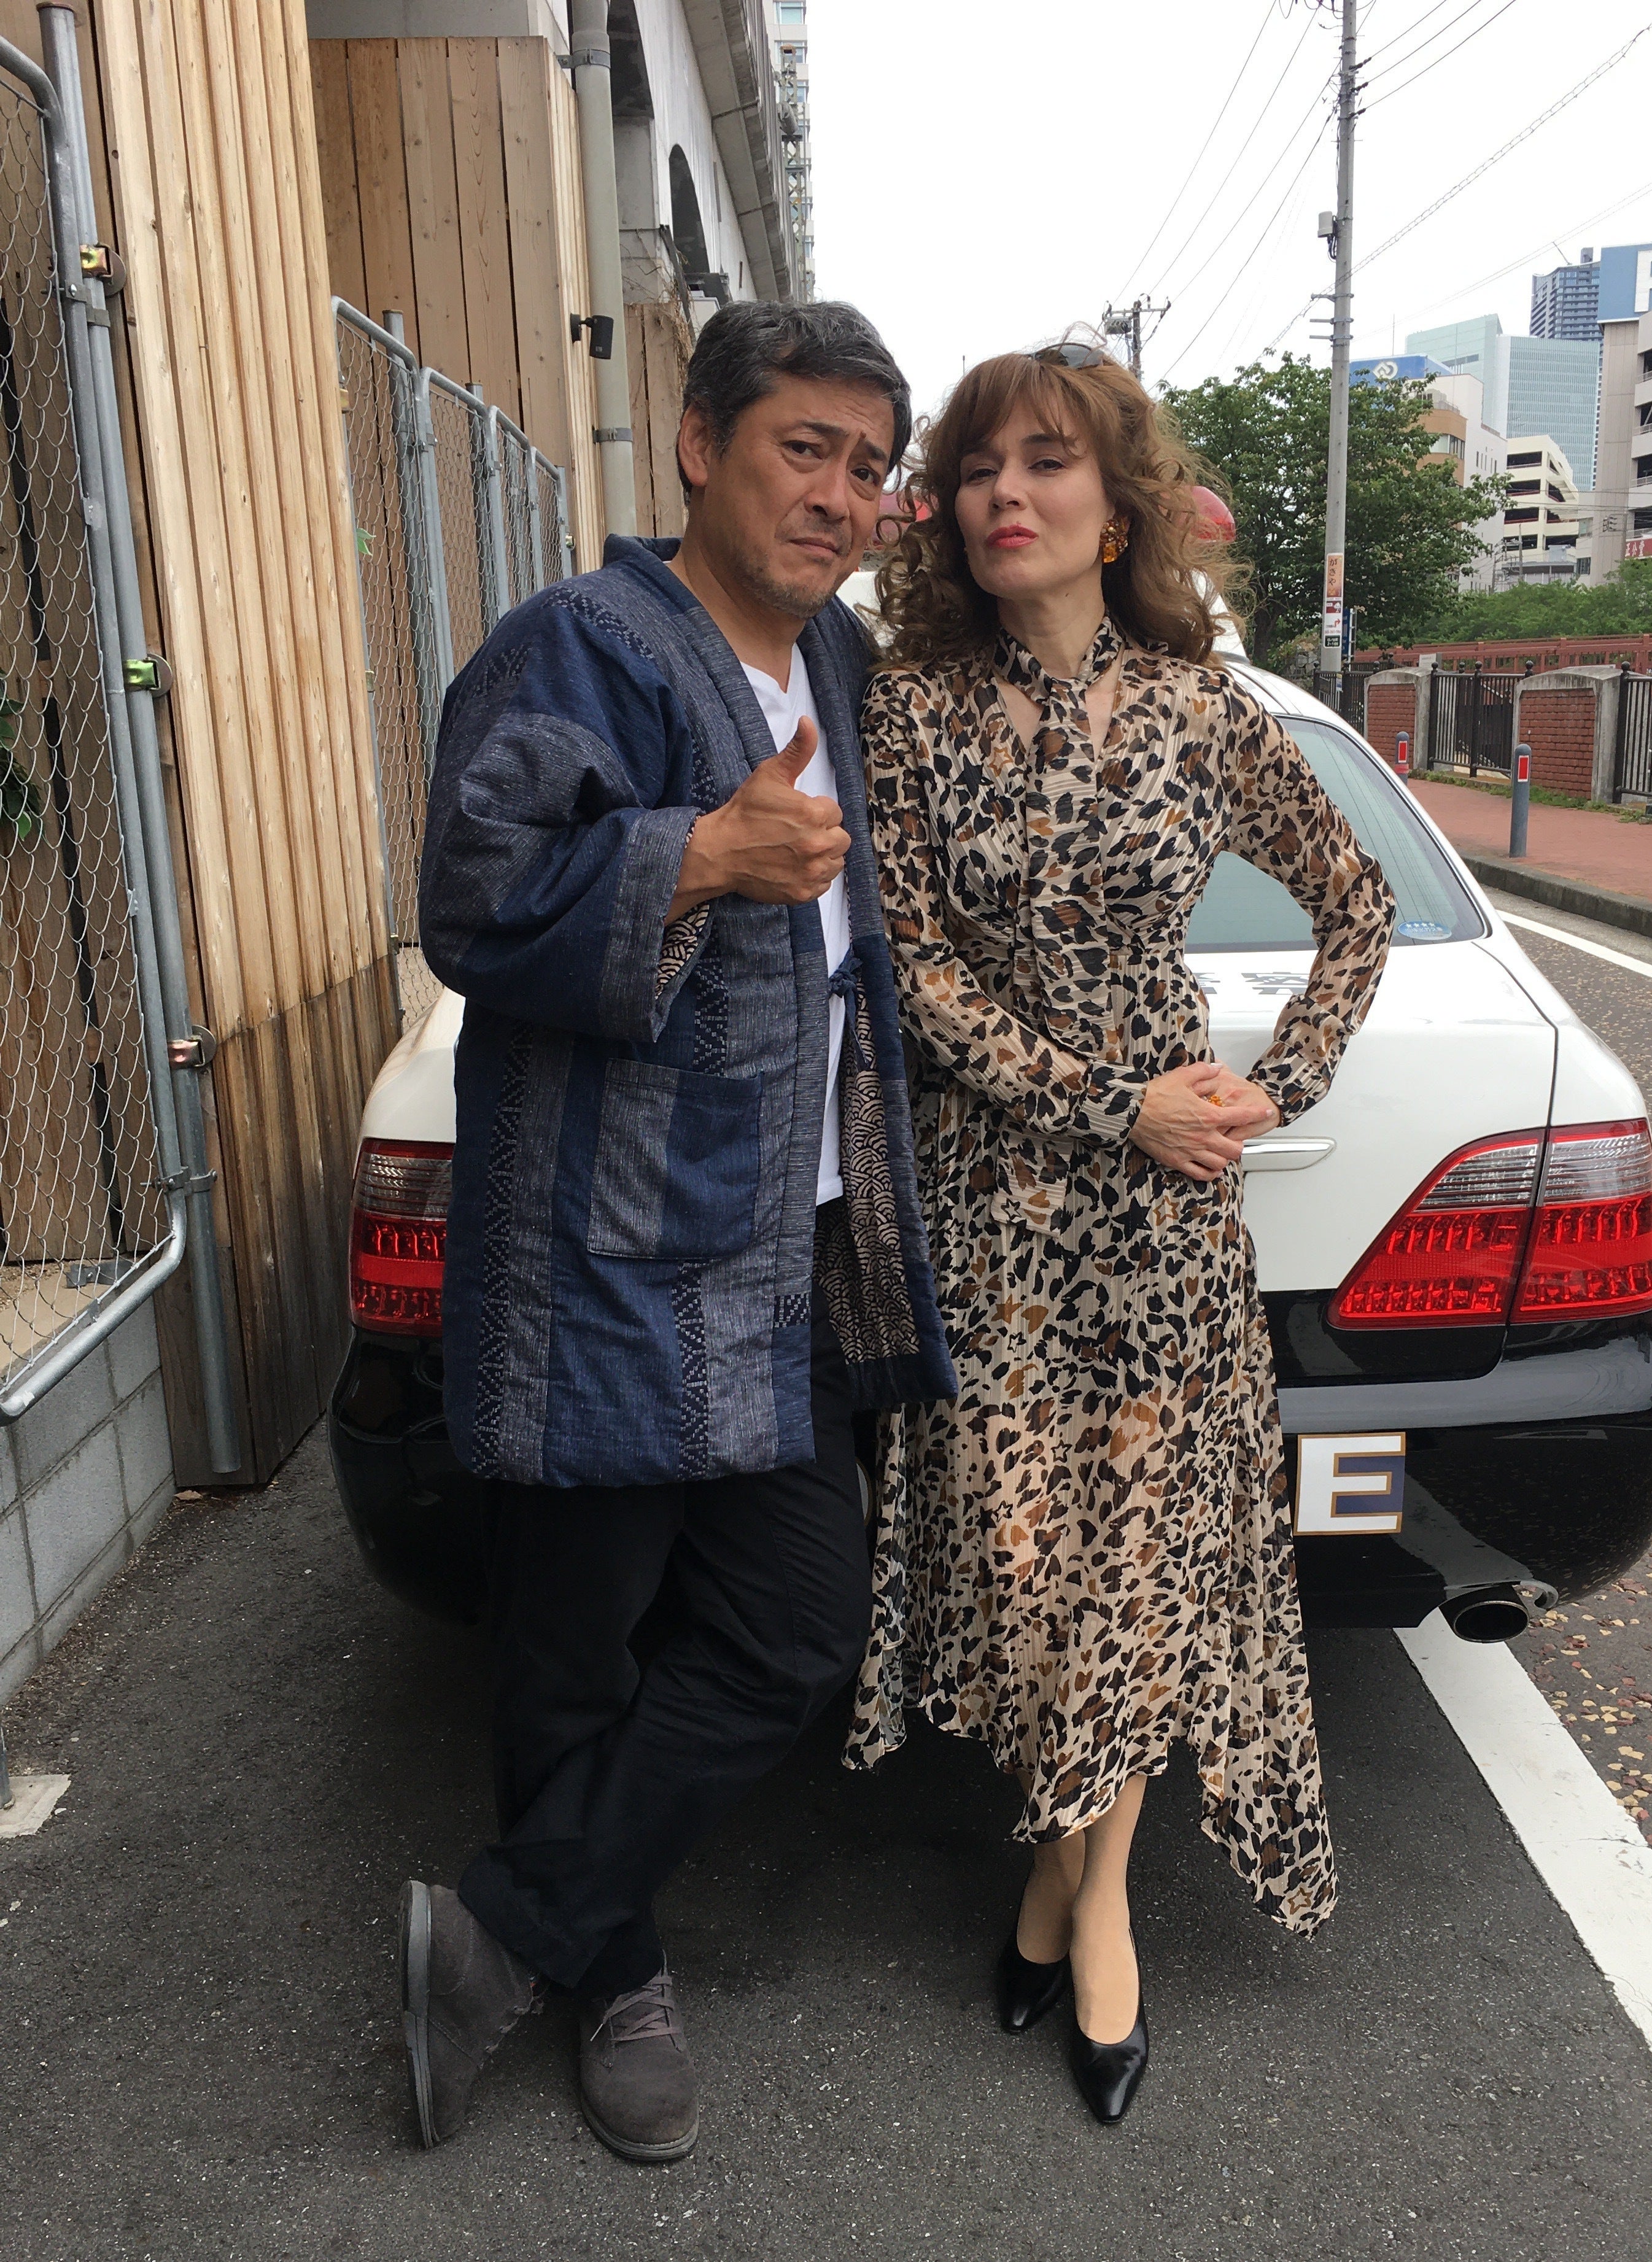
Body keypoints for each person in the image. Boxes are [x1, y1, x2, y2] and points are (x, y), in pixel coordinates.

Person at [401, 300, 955, 2166]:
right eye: (805, 448)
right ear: (703, 443)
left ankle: (504, 1931)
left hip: (775, 1259)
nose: (840, 495)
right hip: (605, 1255)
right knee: (575, 1648)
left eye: (869, 467)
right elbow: (470, 901)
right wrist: (700, 855)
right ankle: (617, 1968)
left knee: (794, 1627)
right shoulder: (580, 644)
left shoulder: (844, 666)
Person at [845, 341, 1396, 2123]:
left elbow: (1359, 901)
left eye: (1048, 462)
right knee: (1025, 1562)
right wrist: (1117, 1102)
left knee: (1142, 1561)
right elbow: (915, 975)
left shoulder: (1203, 710)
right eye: (979, 466)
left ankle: (1091, 1913)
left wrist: (1277, 1084)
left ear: (1116, 508)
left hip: (1166, 1226)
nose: (1008, 493)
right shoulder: (911, 711)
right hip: (996, 1206)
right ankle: (1063, 1875)